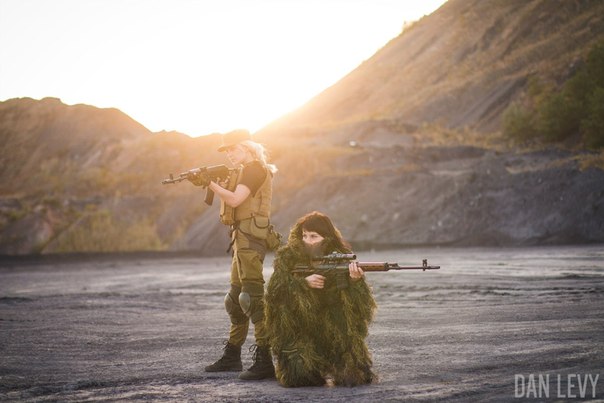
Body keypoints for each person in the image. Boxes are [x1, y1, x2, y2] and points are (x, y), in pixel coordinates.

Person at [195, 129, 279, 380]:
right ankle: (232, 356)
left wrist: (208, 183)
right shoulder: (242, 171)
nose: (230, 154)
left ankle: (265, 360)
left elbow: (234, 200)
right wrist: (212, 182)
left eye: (234, 149)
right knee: (235, 300)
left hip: (251, 239)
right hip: (241, 238)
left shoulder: (254, 170)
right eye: (227, 150)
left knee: (252, 298)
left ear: (248, 147)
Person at [265, 211, 377, 387]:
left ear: (327, 237)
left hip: (333, 331)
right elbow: (273, 295)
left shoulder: (340, 257)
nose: (308, 241)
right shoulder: (288, 258)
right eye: (304, 236)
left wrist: (355, 282)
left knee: (355, 378)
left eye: (314, 236)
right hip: (301, 332)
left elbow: (360, 311)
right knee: (299, 379)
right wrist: (302, 283)